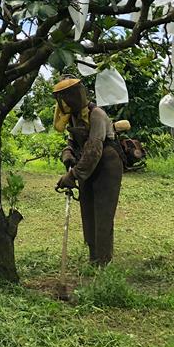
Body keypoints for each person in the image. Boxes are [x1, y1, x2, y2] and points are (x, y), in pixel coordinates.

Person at [52, 77, 123, 265]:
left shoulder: (96, 114)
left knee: (103, 214)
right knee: (88, 211)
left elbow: (94, 148)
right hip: (86, 165)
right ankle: (94, 258)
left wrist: (73, 174)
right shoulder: (74, 116)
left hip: (107, 164)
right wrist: (67, 153)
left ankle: (103, 262)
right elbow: (72, 141)